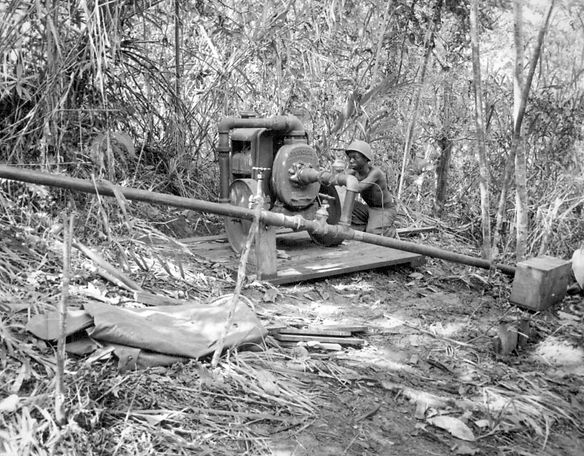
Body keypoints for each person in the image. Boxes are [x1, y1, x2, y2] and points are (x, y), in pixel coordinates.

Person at [344, 140, 397, 237]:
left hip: (384, 210)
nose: (351, 161)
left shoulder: (375, 173)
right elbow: (338, 181)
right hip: (369, 208)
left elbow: (358, 187)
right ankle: (369, 224)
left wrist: (345, 180)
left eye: (355, 158)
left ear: (365, 159)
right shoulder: (353, 173)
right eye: (350, 158)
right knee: (343, 205)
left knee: (372, 233)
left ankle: (389, 231)